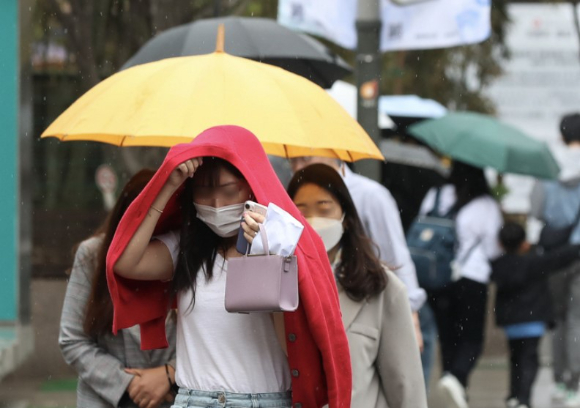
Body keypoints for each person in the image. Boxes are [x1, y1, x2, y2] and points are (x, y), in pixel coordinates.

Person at [106, 126, 352, 408]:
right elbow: (126, 261)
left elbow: (302, 336)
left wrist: (272, 253)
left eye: (228, 190)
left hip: (264, 400)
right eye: (203, 191)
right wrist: (168, 185)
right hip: (192, 400)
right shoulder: (185, 248)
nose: (216, 204)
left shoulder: (283, 239)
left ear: (250, 184)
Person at [287, 163, 427, 408]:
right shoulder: (277, 282)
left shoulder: (382, 288)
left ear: (346, 218)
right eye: (301, 211)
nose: (312, 220)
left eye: (324, 208)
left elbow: (405, 386)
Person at [59, 169, 178, 408]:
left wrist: (170, 374)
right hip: (105, 399)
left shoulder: (186, 258)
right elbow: (72, 340)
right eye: (144, 217)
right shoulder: (92, 256)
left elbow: (213, 341)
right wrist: (129, 384)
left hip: (173, 398)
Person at [418, 161, 503, 408]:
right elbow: (493, 249)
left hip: (438, 276)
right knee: (472, 338)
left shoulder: (435, 194)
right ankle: (457, 378)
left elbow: (422, 228)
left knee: (448, 336)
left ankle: (453, 385)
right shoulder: (485, 205)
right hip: (472, 278)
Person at [491, 222, 580, 408]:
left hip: (511, 323)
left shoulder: (499, 265)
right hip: (533, 321)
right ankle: (523, 398)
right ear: (524, 243)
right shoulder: (534, 262)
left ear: (500, 243)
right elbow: (562, 256)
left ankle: (514, 396)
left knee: (515, 358)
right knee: (529, 360)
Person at [530, 112, 580, 406]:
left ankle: (560, 381)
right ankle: (576, 383)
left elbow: (536, 210)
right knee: (577, 319)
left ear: (562, 135)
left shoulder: (548, 166)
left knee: (558, 318)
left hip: (553, 255)